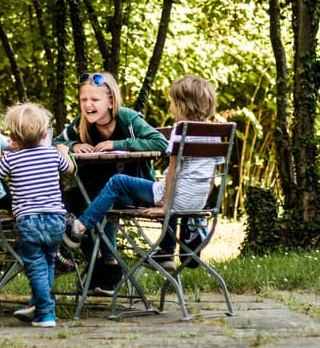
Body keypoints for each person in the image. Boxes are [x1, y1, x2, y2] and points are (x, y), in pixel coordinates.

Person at [61, 75, 221, 272]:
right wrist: (74, 145)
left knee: (116, 182)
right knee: (99, 193)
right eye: (84, 100)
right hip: (197, 204)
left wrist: (165, 208)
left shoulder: (181, 130)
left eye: (171, 103)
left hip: (171, 201)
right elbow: (212, 175)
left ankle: (79, 228)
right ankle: (167, 249)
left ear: (182, 104)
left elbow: (172, 171)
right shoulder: (215, 133)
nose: (170, 108)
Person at [52, 72, 168, 295]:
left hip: (132, 191)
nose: (88, 105)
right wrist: (74, 145)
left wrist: (117, 144)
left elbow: (161, 143)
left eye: (95, 100)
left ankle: (112, 266)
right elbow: (56, 141)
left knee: (97, 200)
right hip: (95, 188)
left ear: (111, 101)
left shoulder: (128, 119)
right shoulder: (82, 124)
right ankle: (95, 263)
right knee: (65, 201)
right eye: (84, 100)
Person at [0, 90, 75, 274]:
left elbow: (16, 146)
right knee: (34, 197)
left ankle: (55, 244)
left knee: (30, 189)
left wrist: (20, 142)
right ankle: (62, 232)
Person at [0, 102, 75, 328]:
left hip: (28, 221)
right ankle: (39, 305)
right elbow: (69, 169)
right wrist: (65, 151)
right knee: (49, 262)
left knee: (35, 266)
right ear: (44, 134)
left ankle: (45, 313)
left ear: (12, 137)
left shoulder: (11, 159)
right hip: (55, 220)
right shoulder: (53, 154)